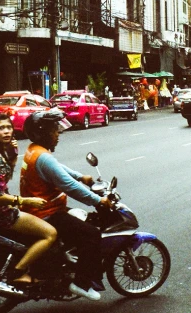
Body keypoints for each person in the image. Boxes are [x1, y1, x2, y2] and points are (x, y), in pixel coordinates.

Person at [20, 108, 112, 301]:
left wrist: (81, 176)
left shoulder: (34, 151)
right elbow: (68, 186)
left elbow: (58, 168)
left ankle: (63, 264)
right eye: (54, 130)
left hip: (39, 209)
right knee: (92, 234)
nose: (58, 134)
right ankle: (81, 283)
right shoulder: (43, 156)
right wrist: (98, 200)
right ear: (42, 133)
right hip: (46, 213)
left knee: (81, 219)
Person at [0, 114, 57, 285]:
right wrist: (27, 201)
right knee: (50, 234)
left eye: (9, 127)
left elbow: (1, 179)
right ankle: (18, 272)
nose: (6, 131)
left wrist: (12, 156)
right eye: (1, 128)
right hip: (1, 212)